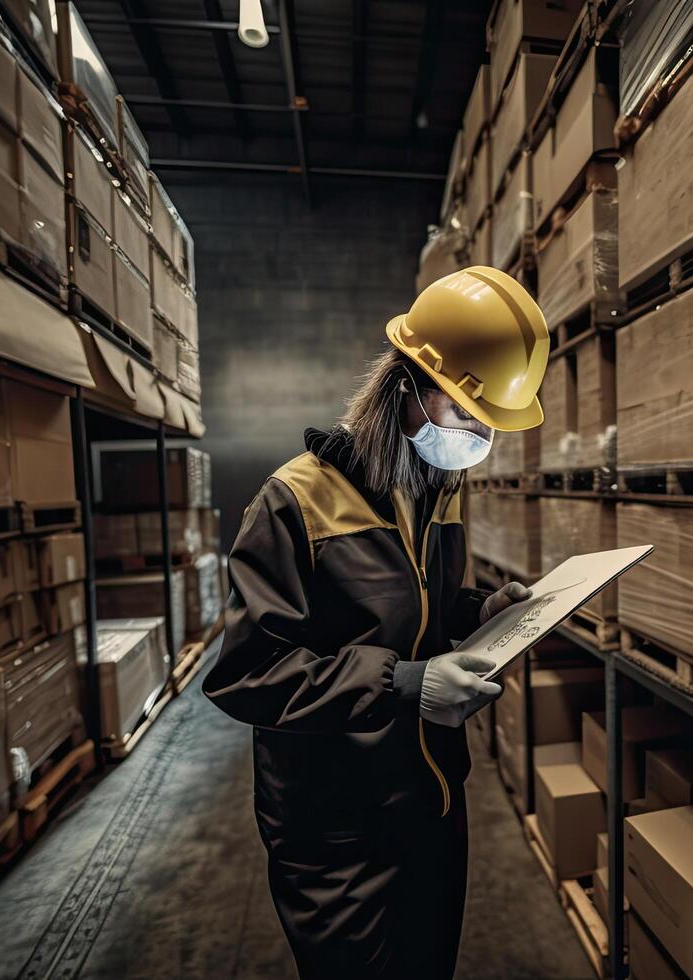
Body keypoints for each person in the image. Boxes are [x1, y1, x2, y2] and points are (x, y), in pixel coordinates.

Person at [203, 266, 550, 979]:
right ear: (404, 390)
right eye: (466, 414)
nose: (477, 437)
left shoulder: (437, 489)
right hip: (335, 829)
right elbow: (247, 673)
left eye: (489, 426)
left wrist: (478, 612)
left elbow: (419, 608)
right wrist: (406, 683)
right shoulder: (293, 503)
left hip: (431, 801)